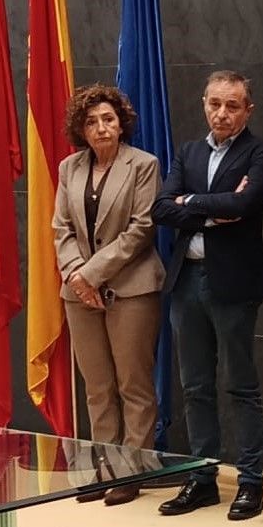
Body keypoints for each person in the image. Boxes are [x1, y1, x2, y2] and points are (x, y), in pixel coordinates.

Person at [152, 71, 263, 521]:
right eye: (215, 104)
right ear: (204, 104)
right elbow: (161, 208)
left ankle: (250, 481)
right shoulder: (188, 152)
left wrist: (190, 203)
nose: (222, 114)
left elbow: (244, 206)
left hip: (234, 281)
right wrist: (211, 208)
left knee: (241, 385)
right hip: (186, 280)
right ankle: (202, 478)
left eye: (232, 106)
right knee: (195, 387)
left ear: (248, 110)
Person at [51, 83, 166, 505]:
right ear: (80, 129)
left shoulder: (144, 165)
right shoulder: (70, 168)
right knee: (97, 387)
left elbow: (141, 229)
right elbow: (61, 227)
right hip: (78, 293)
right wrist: (76, 275)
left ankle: (130, 471)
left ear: (121, 124)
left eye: (108, 120)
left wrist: (91, 274)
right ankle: (104, 468)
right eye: (91, 122)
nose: (101, 128)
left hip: (132, 288)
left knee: (133, 384)